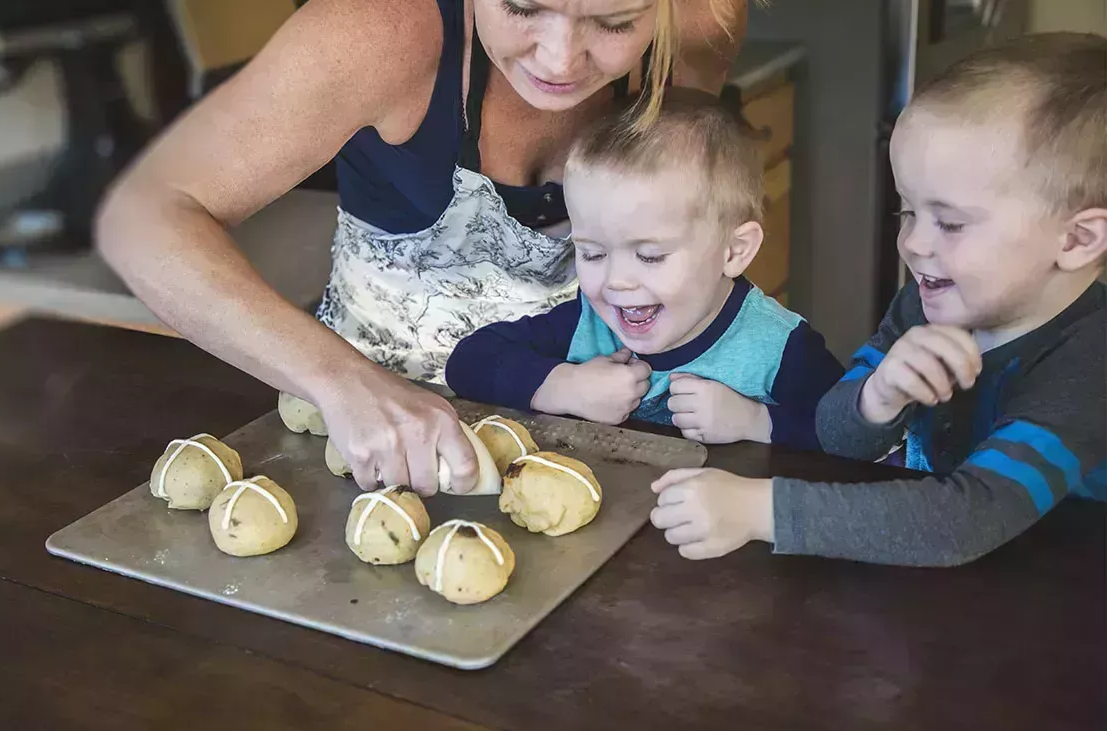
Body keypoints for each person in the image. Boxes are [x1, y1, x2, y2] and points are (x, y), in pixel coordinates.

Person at [95, 0, 747, 495]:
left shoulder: (696, 26)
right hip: (377, 455)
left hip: (605, 436)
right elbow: (142, 216)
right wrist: (344, 383)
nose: (559, 59)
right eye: (522, 6)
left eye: (613, 22)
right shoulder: (378, 28)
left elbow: (675, 202)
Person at [649, 33, 1107, 566]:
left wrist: (761, 509)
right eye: (907, 212)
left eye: (950, 222)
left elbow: (968, 517)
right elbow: (837, 437)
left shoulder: (1089, 364)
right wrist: (878, 396)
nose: (913, 242)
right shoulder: (925, 305)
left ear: (1076, 240)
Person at [446, 91, 844, 449]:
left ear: (733, 251)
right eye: (593, 254)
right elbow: (469, 362)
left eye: (650, 256)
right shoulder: (589, 325)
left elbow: (855, 436)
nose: (617, 281)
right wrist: (564, 386)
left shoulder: (778, 347)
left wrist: (758, 423)